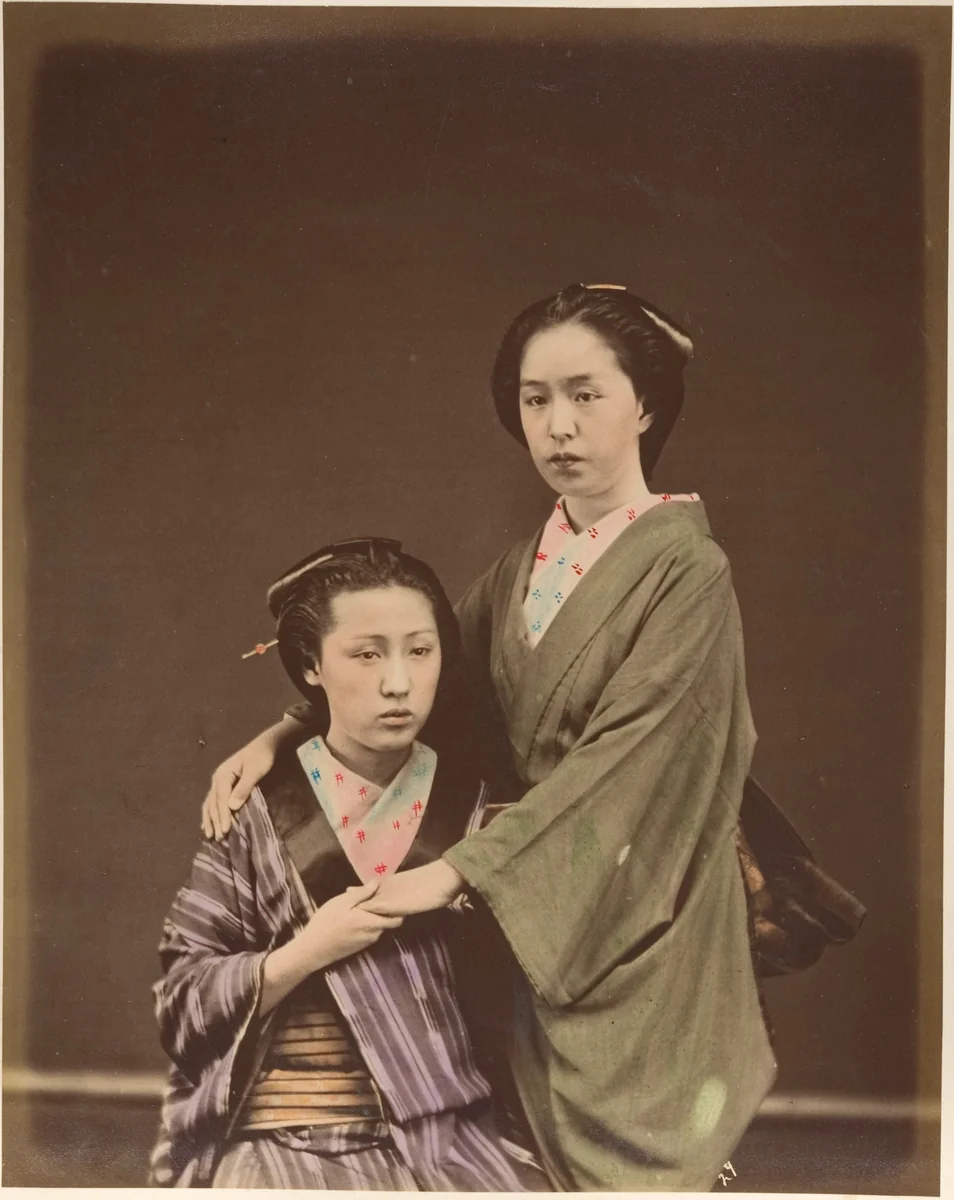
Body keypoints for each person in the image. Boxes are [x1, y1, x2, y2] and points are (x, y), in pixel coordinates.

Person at [199, 284, 778, 1190]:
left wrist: (455, 873)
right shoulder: (523, 571)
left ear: (646, 405)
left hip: (635, 899)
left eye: (586, 395)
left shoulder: (687, 570)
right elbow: (433, 684)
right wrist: (283, 733)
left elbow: (634, 762)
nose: (558, 426)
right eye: (534, 399)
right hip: (531, 900)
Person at [150, 538, 550, 1190]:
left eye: (420, 651)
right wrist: (307, 952)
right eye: (366, 654)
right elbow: (181, 1001)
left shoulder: (481, 807)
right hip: (283, 1131)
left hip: (449, 1129)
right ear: (311, 664)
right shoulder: (255, 810)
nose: (398, 683)